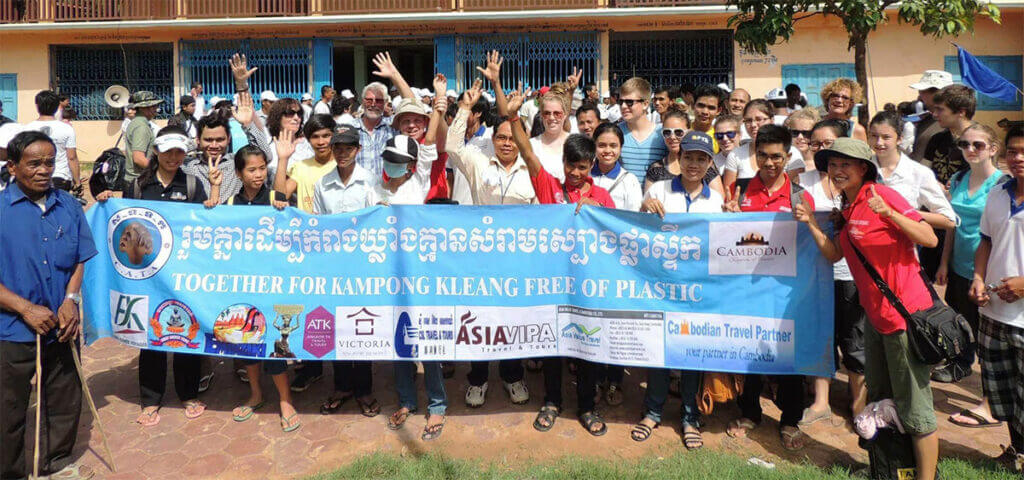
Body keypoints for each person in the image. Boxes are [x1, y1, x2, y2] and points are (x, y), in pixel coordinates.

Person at [795, 137, 939, 480]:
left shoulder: (881, 196)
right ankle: (890, 470)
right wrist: (812, 224)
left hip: (903, 316)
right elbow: (835, 255)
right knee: (884, 401)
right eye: (832, 165)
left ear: (864, 168)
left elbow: (929, 238)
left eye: (846, 164)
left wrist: (890, 214)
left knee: (915, 407)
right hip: (874, 318)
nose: (838, 170)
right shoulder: (849, 206)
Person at [497, 83, 613, 437]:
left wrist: (600, 213)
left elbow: (617, 239)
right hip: (553, 283)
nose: (576, 173)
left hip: (588, 285)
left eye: (582, 167)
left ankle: (587, 407)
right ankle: (551, 401)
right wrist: (514, 116)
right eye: (570, 166)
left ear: (591, 164)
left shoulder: (604, 197)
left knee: (586, 348)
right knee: (552, 347)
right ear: (562, 164)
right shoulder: (549, 187)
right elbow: (528, 154)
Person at [96, 126, 212, 427]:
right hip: (146, 275)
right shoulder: (137, 186)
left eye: (179, 151)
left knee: (186, 331)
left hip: (183, 274)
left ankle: (188, 394)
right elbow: (125, 222)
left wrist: (211, 207)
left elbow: (204, 225)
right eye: (168, 151)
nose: (174, 157)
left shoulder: (192, 185)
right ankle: (151, 399)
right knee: (150, 336)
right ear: (156, 152)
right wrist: (108, 199)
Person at [0, 130, 98, 480]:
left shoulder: (68, 205)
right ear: (12, 166)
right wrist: (25, 308)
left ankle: (55, 462)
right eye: (33, 163)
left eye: (49, 162)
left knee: (63, 398)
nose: (44, 170)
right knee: (8, 408)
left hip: (62, 323)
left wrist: (71, 299)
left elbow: (79, 259)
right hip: (11, 329)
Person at [724, 124, 812, 451]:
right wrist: (729, 217)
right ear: (755, 155)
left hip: (788, 292)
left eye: (777, 156)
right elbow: (726, 237)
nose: (770, 162)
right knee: (751, 352)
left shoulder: (800, 196)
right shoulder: (741, 190)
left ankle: (790, 419)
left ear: (788, 157)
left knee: (788, 356)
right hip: (747, 289)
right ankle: (750, 412)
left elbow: (813, 245)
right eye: (763, 155)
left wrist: (812, 222)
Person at [446, 78, 533, 407]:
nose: (507, 144)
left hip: (518, 261)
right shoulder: (478, 161)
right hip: (480, 259)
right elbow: (453, 147)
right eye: (500, 137)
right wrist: (465, 108)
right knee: (480, 318)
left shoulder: (532, 170)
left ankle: (513, 376)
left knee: (512, 320)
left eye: (512, 138)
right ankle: (478, 379)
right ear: (493, 139)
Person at [634, 130, 722, 449]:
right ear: (679, 158)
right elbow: (635, 231)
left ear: (710, 162)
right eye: (688, 157)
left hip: (697, 290)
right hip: (661, 286)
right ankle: (653, 411)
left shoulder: (717, 201)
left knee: (692, 353)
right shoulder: (658, 188)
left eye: (701, 158)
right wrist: (645, 208)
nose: (694, 164)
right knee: (659, 350)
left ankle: (690, 417)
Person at [201, 144, 297, 431]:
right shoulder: (230, 204)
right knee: (246, 342)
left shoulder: (275, 200)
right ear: (239, 173)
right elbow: (213, 228)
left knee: (275, 345)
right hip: (242, 285)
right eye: (251, 170)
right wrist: (214, 191)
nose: (258, 175)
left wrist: (283, 206)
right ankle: (255, 393)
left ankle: (285, 400)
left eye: (261, 169)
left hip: (273, 285)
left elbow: (293, 231)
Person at [381, 88, 448, 441]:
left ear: (411, 165)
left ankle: (436, 404)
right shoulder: (376, 190)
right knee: (398, 342)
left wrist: (437, 105)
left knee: (427, 339)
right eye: (388, 158)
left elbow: (428, 146)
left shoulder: (419, 180)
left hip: (420, 273)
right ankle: (407, 399)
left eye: (398, 160)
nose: (392, 165)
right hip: (390, 276)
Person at [310, 127, 384, 419]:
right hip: (332, 266)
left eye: (348, 148)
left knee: (361, 323)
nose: (342, 153)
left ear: (358, 149)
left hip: (361, 266)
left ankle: (364, 390)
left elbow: (376, 223)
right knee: (337, 325)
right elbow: (317, 225)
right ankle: (341, 387)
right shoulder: (322, 183)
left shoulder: (370, 181)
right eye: (337, 148)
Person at [798, 119, 868, 423]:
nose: (821, 149)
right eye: (816, 144)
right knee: (819, 334)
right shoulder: (804, 181)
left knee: (854, 341)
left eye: (828, 143)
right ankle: (821, 401)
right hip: (814, 272)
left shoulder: (861, 188)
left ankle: (859, 405)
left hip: (850, 276)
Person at [938, 123, 1006, 427]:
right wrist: (943, 262)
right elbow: (952, 225)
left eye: (978, 145)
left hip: (988, 272)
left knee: (988, 339)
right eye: (964, 144)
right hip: (958, 267)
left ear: (993, 148)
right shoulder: (957, 178)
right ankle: (961, 367)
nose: (970, 150)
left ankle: (990, 403)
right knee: (963, 328)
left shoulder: (1002, 183)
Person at [969, 126, 1024, 472]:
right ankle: (1017, 451)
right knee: (1003, 391)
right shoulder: (998, 193)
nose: (1018, 159)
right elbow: (986, 241)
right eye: (1013, 151)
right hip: (994, 312)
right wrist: (977, 277)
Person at [722, 99, 804, 194]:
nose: (753, 125)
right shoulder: (735, 155)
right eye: (748, 120)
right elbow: (729, 194)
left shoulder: (791, 152)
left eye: (759, 119)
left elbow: (795, 192)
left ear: (772, 120)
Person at [645, 107, 724, 195]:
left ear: (689, 131)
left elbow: (719, 201)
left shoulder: (706, 166)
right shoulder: (656, 169)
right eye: (667, 132)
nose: (672, 137)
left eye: (678, 132)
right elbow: (648, 202)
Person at [25, 90, 78, 192]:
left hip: (34, 176)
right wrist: (77, 182)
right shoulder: (66, 129)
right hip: (60, 176)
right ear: (56, 106)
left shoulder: (27, 128)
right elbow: (72, 158)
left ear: (37, 106)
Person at [617, 77, 667, 181]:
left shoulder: (663, 133)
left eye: (629, 102)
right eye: (621, 102)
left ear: (645, 104)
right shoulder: (615, 133)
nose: (623, 106)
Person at [590, 122, 641, 212]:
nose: (607, 150)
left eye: (613, 146)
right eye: (602, 145)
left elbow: (633, 216)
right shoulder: (584, 174)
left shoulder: (629, 180)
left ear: (621, 148)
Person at [353, 81, 397, 178]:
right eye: (369, 100)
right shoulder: (350, 129)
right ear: (362, 101)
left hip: (385, 190)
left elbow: (413, 108)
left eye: (379, 101)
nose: (373, 104)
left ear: (385, 103)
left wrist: (394, 76)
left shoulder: (393, 126)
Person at [908, 70, 953, 162]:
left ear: (938, 93)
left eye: (923, 91)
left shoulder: (952, 124)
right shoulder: (925, 120)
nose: (919, 96)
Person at [123, 90, 164, 184]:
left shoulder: (138, 122)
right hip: (139, 180)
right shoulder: (141, 126)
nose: (156, 109)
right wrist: (160, 170)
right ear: (142, 108)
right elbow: (138, 158)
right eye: (152, 106)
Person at [691, 84, 725, 152]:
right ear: (692, 105)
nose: (705, 112)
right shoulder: (681, 133)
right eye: (701, 106)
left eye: (711, 108)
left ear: (718, 111)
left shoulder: (721, 137)